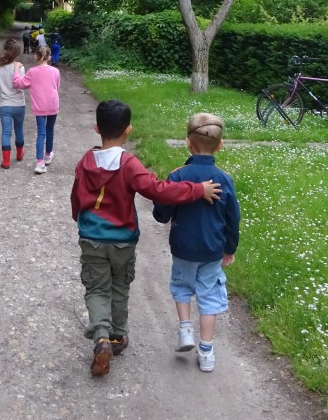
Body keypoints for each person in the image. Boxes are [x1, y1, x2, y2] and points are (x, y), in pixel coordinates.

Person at [71, 99, 222, 377]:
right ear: (128, 130)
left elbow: (76, 196)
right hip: (122, 240)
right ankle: (117, 336)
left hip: (91, 238)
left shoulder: (86, 161)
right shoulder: (128, 164)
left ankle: (101, 336)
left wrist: (77, 217)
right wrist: (197, 190)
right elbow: (158, 190)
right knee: (119, 286)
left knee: (97, 289)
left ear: (96, 128)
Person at [152, 113, 240, 373]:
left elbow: (162, 213)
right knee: (209, 296)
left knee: (181, 285)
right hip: (212, 250)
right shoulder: (224, 179)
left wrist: (160, 201)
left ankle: (185, 330)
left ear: (188, 143)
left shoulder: (178, 176)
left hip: (183, 247)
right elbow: (233, 218)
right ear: (220, 145)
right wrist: (230, 248)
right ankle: (207, 352)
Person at [12, 45, 60, 174]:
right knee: (50, 130)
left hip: (40, 106)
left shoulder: (32, 72)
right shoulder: (55, 71)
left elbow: (18, 84)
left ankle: (40, 163)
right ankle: (48, 155)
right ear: (49, 57)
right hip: (53, 104)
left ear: (35, 57)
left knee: (41, 133)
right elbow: (57, 87)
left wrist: (16, 70)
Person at [0, 38, 26, 169]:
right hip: (19, 104)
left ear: (4, 50)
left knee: (6, 132)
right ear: (17, 53)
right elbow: (22, 85)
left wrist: (2, 96)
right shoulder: (20, 68)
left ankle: (6, 161)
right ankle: (19, 154)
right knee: (19, 129)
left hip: (5, 104)